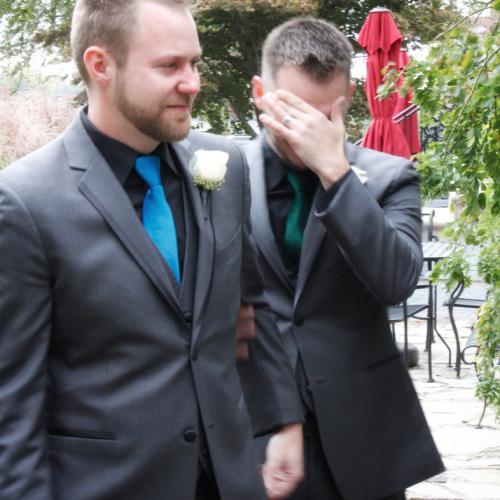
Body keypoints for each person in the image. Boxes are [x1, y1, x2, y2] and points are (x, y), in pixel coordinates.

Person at [0, 1, 305, 499]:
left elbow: (251, 306)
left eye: (194, 63)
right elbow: (11, 404)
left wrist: (284, 420)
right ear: (101, 65)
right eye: (169, 66)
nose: (193, 83)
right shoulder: (24, 202)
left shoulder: (224, 165)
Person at [241, 17, 445, 500]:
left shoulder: (391, 176)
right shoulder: (221, 175)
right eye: (292, 111)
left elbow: (397, 281)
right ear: (260, 93)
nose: (305, 132)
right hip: (255, 427)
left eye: (322, 115)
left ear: (348, 97)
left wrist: (337, 174)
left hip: (362, 433)